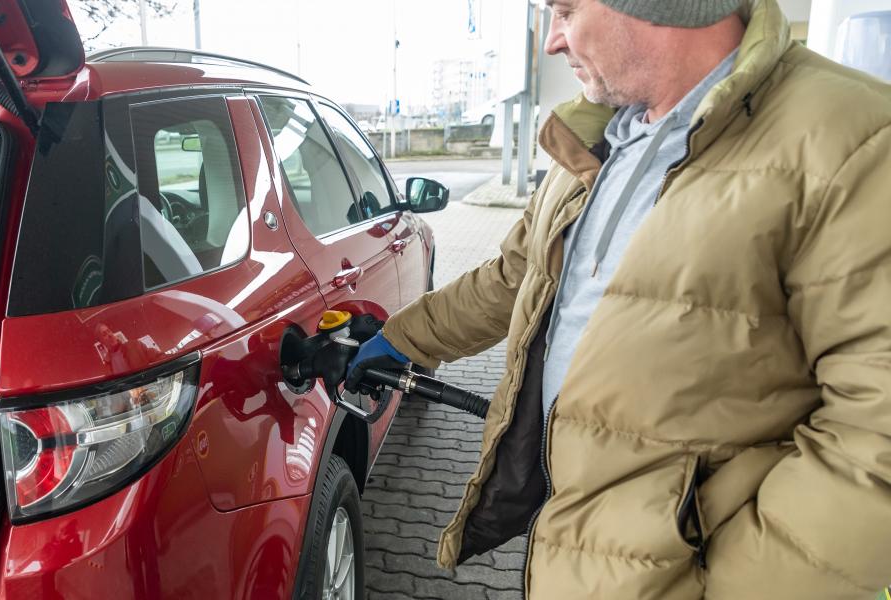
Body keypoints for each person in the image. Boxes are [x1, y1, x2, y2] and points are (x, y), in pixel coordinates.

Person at [345, 0, 891, 597]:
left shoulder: (853, 139)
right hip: (572, 557)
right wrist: (401, 339)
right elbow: (515, 278)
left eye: (566, 11)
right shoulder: (598, 137)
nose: (553, 41)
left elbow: (873, 439)